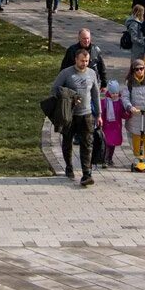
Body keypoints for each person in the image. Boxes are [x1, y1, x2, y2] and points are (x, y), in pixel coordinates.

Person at [49, 46, 101, 186]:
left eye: (87, 61)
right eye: (82, 61)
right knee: (67, 142)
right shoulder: (66, 73)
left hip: (87, 114)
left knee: (87, 143)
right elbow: (54, 90)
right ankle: (69, 167)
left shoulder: (91, 73)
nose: (84, 63)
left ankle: (86, 174)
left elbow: (96, 94)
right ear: (76, 60)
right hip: (69, 115)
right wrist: (70, 97)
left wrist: (99, 114)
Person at [120, 59, 145, 172]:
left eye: (141, 69)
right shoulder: (130, 82)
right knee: (136, 137)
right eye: (137, 69)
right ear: (133, 70)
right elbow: (125, 97)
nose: (139, 71)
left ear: (144, 68)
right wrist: (129, 107)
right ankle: (137, 156)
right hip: (136, 114)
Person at [61, 28, 107, 94]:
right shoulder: (71, 50)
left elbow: (101, 68)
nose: (86, 40)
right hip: (75, 85)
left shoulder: (96, 50)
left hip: (92, 84)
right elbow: (64, 69)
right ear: (79, 38)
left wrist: (104, 84)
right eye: (84, 38)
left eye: (88, 38)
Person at [99, 81, 127, 168]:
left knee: (113, 144)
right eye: (113, 93)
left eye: (116, 93)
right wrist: (100, 122)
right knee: (107, 144)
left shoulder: (120, 102)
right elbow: (102, 113)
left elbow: (122, 114)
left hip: (116, 127)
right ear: (109, 93)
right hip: (107, 127)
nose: (115, 95)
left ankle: (110, 158)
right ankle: (105, 160)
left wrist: (128, 114)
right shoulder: (104, 102)